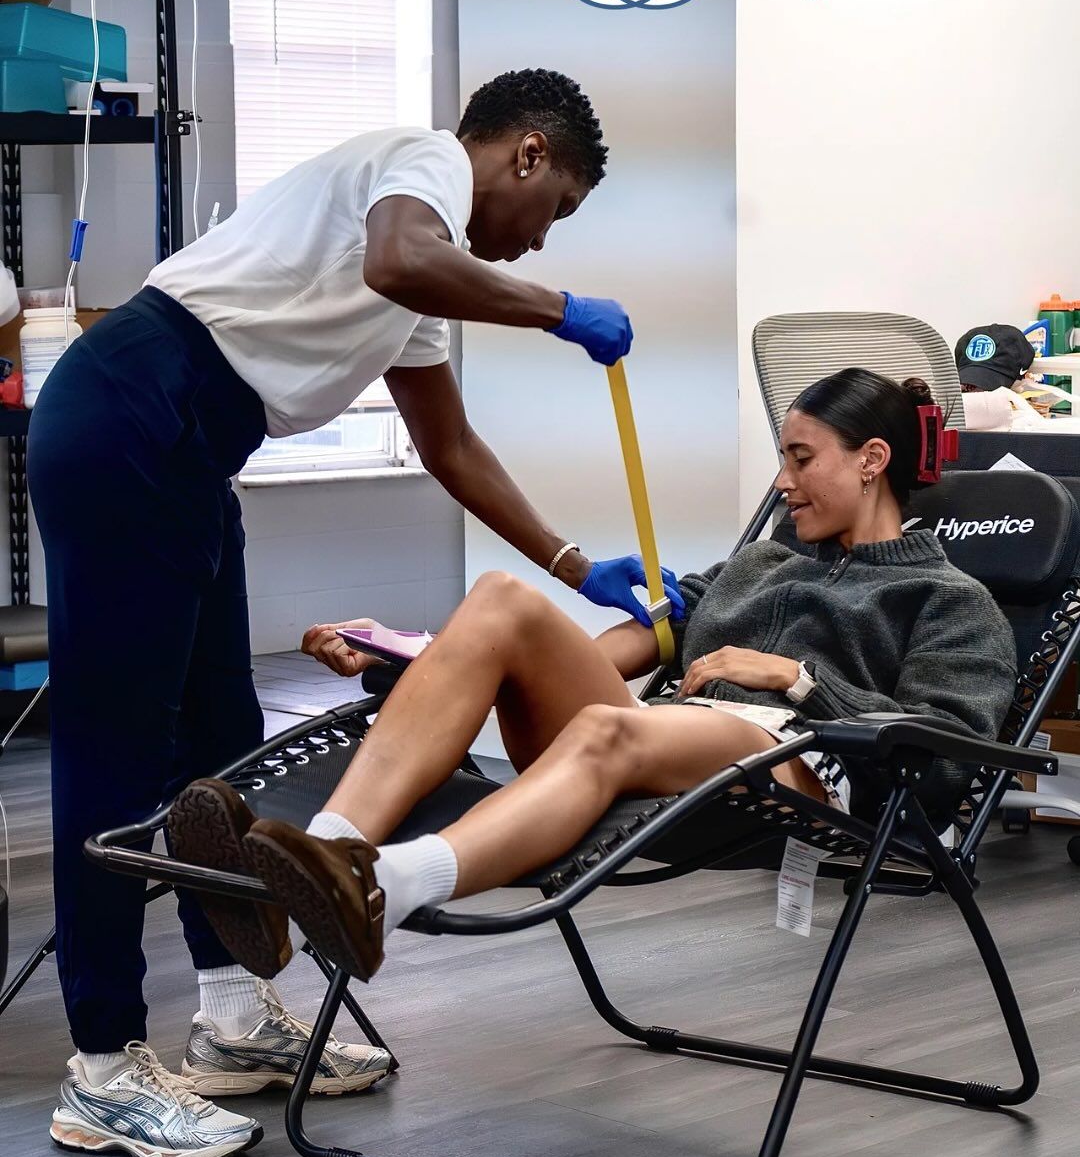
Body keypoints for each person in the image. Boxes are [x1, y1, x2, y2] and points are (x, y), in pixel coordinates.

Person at [31, 67, 685, 1157]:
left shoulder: (422, 289)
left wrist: (577, 565)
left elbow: (451, 449)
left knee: (218, 748)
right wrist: (560, 313)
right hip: (133, 406)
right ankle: (101, 1067)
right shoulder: (418, 163)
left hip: (190, 448)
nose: (535, 245)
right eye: (555, 208)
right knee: (112, 750)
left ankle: (234, 1019)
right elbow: (401, 256)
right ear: (524, 152)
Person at [170, 369, 1017, 991]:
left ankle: (385, 888)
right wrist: (430, 665)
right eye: (781, 459)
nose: (782, 481)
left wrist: (797, 680)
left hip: (803, 766)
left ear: (872, 460)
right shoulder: (760, 560)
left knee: (613, 729)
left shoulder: (949, 598)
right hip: (667, 741)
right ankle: (323, 855)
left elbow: (947, 761)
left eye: (801, 458)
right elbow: (625, 649)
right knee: (502, 600)